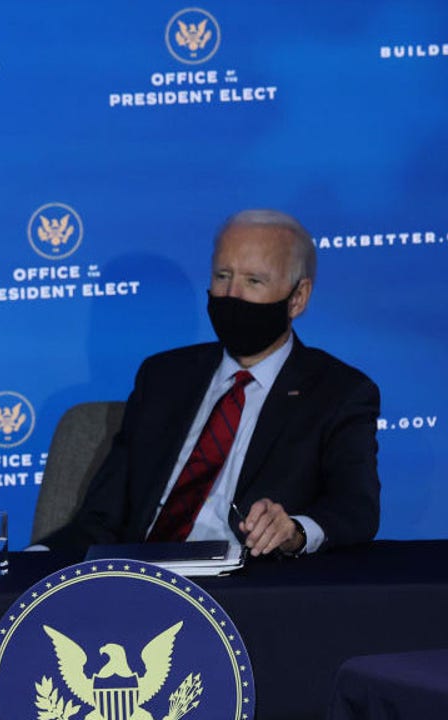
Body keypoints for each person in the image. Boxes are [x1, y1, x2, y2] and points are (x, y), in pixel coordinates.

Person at [38, 209, 379, 557]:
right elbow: (102, 518)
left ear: (297, 297)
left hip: (252, 580)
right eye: (222, 276)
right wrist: (30, 561)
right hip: (143, 575)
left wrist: (295, 531)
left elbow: (356, 508)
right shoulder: (163, 378)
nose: (232, 294)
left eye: (254, 281)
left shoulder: (338, 393)